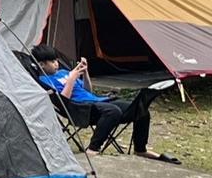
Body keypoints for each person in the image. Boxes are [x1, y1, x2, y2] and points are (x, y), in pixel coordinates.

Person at [33, 44, 179, 162]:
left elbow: (88, 90)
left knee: (141, 108)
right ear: (42, 65)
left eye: (56, 60)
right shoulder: (44, 81)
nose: (56, 64)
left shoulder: (63, 73)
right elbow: (63, 101)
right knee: (113, 111)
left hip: (96, 101)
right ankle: (92, 149)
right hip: (80, 109)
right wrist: (71, 78)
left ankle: (141, 149)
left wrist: (85, 73)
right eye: (52, 62)